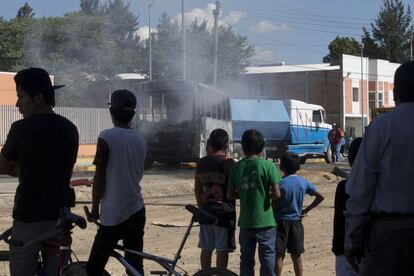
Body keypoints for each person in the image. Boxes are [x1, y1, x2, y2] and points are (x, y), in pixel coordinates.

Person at [0, 67, 79, 275]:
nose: (17, 104)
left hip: (30, 217)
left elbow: (2, 165)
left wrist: (22, 168)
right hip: (59, 216)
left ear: (38, 98)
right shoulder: (69, 128)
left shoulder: (21, 128)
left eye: (21, 96)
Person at [344, 60, 414, 276]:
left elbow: (360, 188)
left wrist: (352, 237)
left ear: (395, 92)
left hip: (389, 237)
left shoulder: (382, 126)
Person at [86, 90, 147, 276]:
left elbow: (100, 176)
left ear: (111, 112)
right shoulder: (141, 139)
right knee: (134, 266)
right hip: (137, 209)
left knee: (94, 268)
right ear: (132, 114)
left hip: (114, 213)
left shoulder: (107, 137)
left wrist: (95, 208)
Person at [227, 129, 281, 276]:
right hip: (266, 222)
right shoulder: (268, 166)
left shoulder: (236, 167)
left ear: (243, 147)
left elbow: (230, 194)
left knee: (246, 260)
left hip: (246, 222)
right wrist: (263, 193)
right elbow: (277, 194)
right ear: (261, 147)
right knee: (268, 258)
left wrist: (245, 193)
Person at [273, 152, 324, 276]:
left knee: (279, 255)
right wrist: (306, 210)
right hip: (296, 222)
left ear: (281, 167)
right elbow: (320, 197)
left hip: (280, 223)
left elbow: (273, 200)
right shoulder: (303, 182)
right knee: (296, 256)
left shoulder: (280, 183)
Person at [194, 129, 236, 270]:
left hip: (206, 211)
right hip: (223, 213)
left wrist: (201, 209)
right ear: (226, 144)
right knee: (222, 249)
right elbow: (233, 189)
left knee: (206, 247)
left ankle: (205, 274)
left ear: (210, 143)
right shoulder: (228, 162)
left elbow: (197, 189)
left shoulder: (201, 163)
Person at [332, 138, 362, 276]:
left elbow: (340, 222)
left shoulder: (344, 187)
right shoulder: (380, 187)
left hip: (344, 251)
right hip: (368, 251)